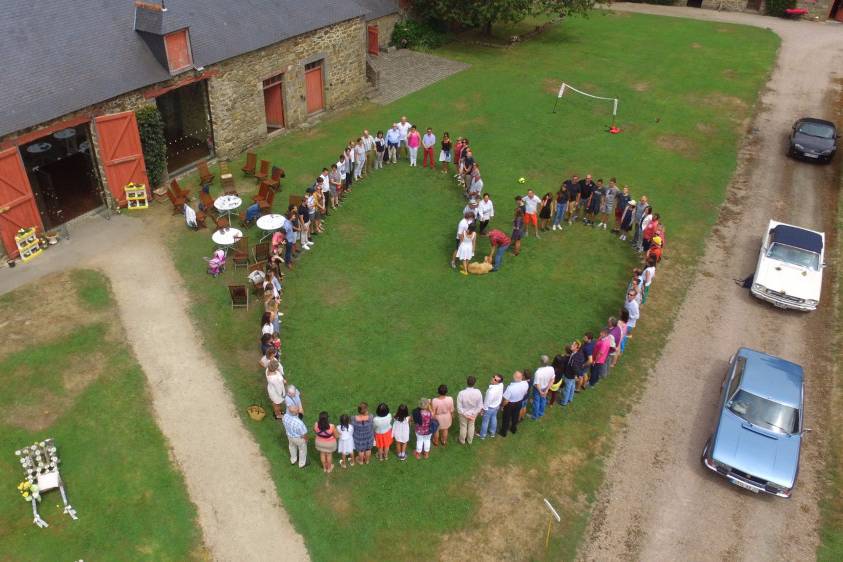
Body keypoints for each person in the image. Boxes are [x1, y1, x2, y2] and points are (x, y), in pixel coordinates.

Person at [499, 371, 529, 437]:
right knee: (515, 416)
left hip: (510, 404)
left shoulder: (510, 388)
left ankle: (503, 432)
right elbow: (525, 393)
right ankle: (513, 429)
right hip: (519, 402)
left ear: (515, 378)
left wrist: (502, 406)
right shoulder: (526, 384)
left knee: (506, 418)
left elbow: (506, 400)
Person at [456, 376, 483, 445]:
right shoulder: (478, 392)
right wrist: (474, 413)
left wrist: (465, 414)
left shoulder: (461, 393)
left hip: (463, 413)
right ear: (474, 383)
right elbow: (480, 405)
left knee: (463, 426)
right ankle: (470, 440)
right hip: (473, 413)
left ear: (467, 382)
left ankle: (462, 441)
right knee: (471, 426)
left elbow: (459, 406)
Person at [478, 374, 504, 439]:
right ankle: (492, 433)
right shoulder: (501, 385)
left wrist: (483, 410)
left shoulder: (491, 391)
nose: (493, 379)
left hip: (490, 408)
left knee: (485, 421)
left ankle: (482, 435)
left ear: (498, 382)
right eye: (493, 377)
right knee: (494, 418)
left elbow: (487, 402)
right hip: (496, 406)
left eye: (495, 379)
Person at [531, 355, 555, 420]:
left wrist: (540, 391)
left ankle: (535, 416)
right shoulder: (551, 369)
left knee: (536, 401)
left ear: (540, 362)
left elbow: (537, 384)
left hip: (538, 389)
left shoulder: (538, 372)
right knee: (543, 400)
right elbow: (552, 380)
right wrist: (547, 389)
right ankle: (541, 413)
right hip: (546, 387)